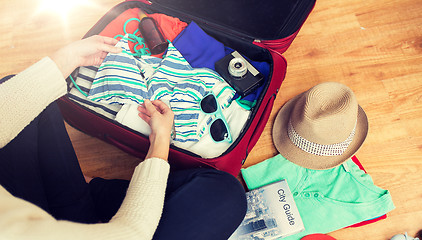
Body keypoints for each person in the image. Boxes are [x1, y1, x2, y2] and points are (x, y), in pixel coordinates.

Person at [0, 35, 247, 240]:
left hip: (34, 216)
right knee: (225, 195)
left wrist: (67, 58)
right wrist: (159, 140)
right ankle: (85, 191)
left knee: (20, 96)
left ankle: (83, 188)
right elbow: (132, 232)